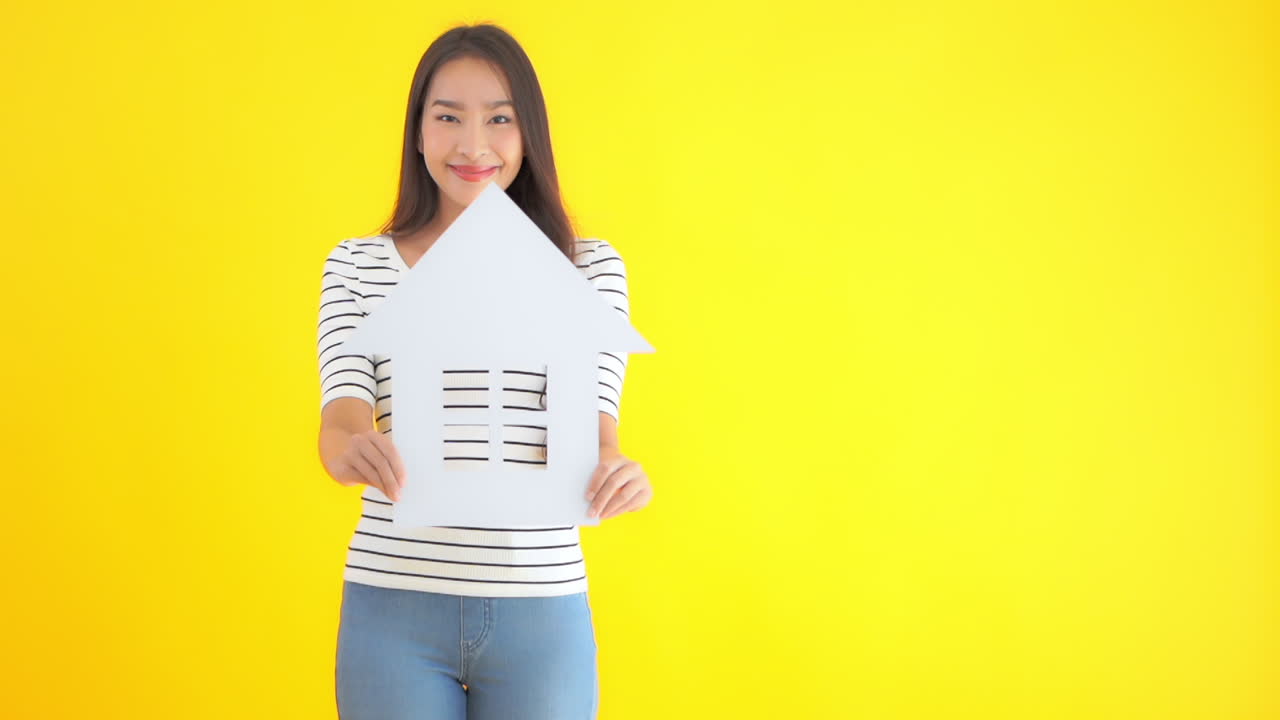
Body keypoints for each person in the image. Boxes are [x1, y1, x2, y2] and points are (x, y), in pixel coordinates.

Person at [315, 23, 653, 720]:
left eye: (499, 118)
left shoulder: (589, 269)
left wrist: (620, 471)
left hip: (542, 609)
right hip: (393, 606)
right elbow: (340, 421)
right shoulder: (359, 265)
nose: (473, 145)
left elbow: (597, 430)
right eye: (448, 118)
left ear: (528, 133)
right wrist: (354, 450)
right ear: (417, 132)